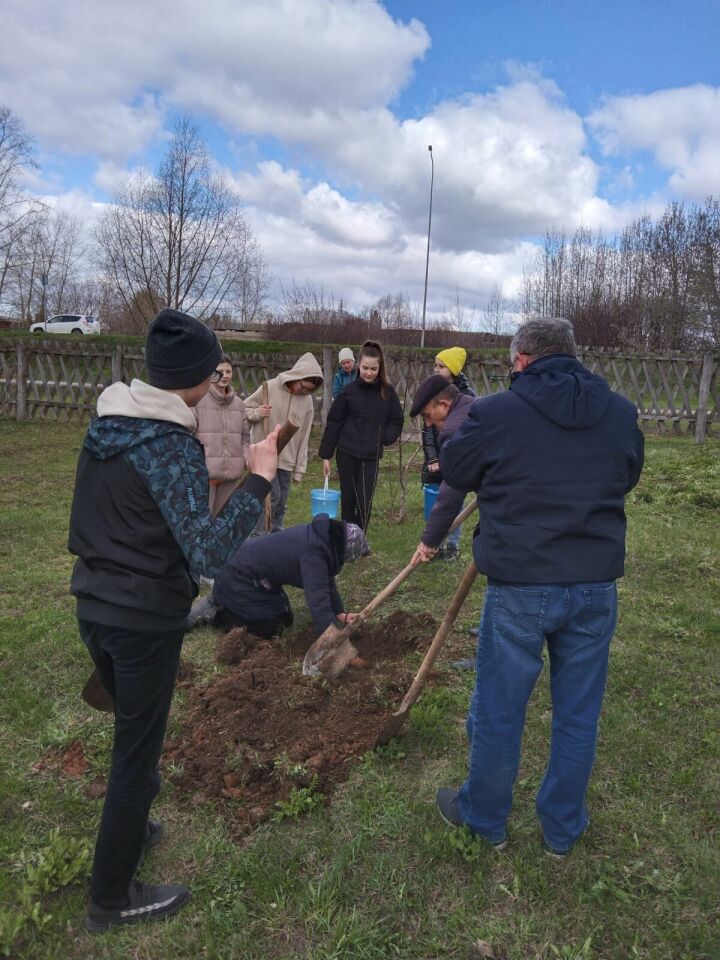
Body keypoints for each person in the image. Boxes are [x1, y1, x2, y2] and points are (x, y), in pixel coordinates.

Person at [68, 308, 280, 932]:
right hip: (144, 620)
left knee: (133, 738)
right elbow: (210, 553)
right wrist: (260, 480)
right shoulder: (169, 441)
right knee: (137, 754)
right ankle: (111, 898)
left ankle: (134, 824)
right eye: (212, 363)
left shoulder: (106, 423)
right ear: (190, 376)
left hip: (94, 605)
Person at [433, 317, 644, 856]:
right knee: (578, 713)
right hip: (594, 587)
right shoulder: (619, 413)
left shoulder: (497, 412)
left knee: (500, 709)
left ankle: (484, 819)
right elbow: (628, 472)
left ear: (522, 359)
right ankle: (562, 829)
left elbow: (455, 466)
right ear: (571, 356)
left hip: (521, 586)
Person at [187, 516, 369, 636]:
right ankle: (218, 612)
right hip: (238, 575)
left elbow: (326, 581)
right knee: (269, 630)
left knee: (285, 618)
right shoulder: (314, 554)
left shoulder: (322, 539)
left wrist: (339, 613)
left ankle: (223, 598)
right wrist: (332, 637)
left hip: (253, 576)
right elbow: (319, 601)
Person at [319, 340, 404, 531]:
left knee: (364, 500)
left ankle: (360, 537)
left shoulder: (387, 393)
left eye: (373, 368)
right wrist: (326, 455)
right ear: (359, 365)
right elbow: (334, 422)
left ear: (380, 368)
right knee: (348, 498)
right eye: (365, 367)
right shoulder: (348, 392)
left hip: (370, 456)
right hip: (346, 453)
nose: (369, 372)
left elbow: (397, 420)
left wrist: (385, 437)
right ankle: (349, 538)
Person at [244, 353, 323, 533]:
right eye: (303, 387)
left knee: (281, 500)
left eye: (308, 390)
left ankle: (277, 532)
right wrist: (257, 413)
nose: (304, 392)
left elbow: (304, 434)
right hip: (264, 455)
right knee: (271, 496)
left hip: (286, 460)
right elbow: (242, 409)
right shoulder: (270, 388)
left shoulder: (307, 402)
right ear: (297, 376)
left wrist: (300, 468)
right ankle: (258, 534)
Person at [409, 375, 476, 565]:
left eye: (427, 415)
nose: (428, 424)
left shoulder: (453, 432)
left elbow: (452, 489)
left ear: (445, 405)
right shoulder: (474, 407)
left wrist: (429, 541)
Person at [421, 347, 476, 559]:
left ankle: (452, 545)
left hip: (459, 459)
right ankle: (437, 543)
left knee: (454, 500)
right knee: (439, 500)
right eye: (435, 365)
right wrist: (433, 458)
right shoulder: (432, 394)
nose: (436, 369)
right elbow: (427, 431)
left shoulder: (467, 398)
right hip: (439, 459)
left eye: (441, 366)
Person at [194, 354, 250, 516]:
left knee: (224, 522)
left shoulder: (239, 405)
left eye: (229, 371)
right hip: (204, 475)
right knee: (203, 521)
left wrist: (245, 457)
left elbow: (245, 437)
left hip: (232, 475)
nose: (225, 376)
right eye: (220, 371)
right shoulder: (198, 401)